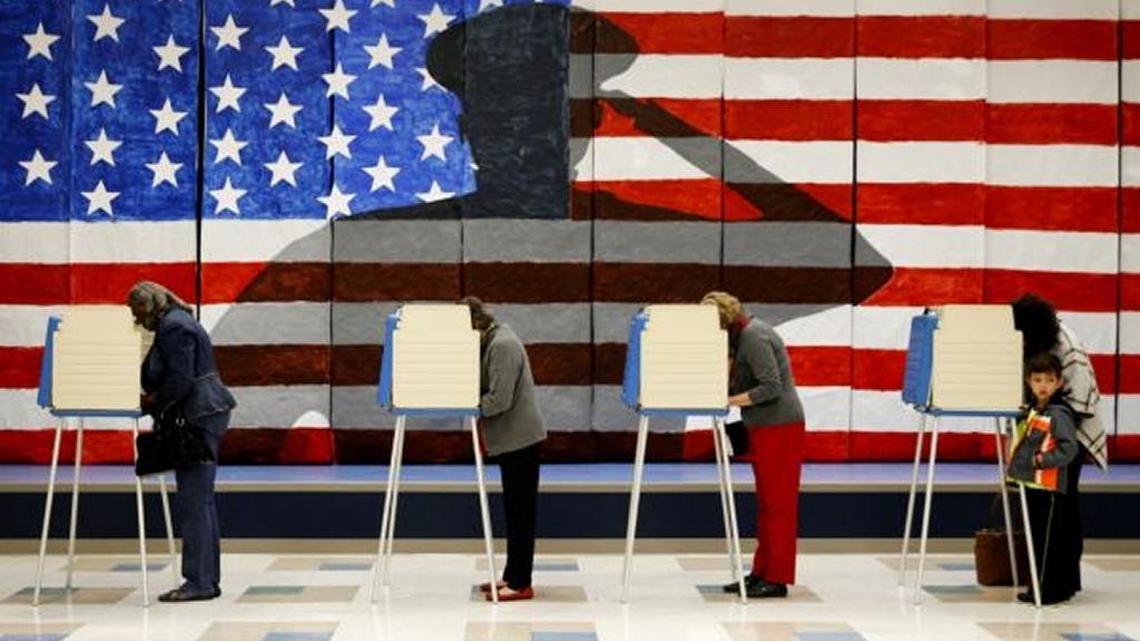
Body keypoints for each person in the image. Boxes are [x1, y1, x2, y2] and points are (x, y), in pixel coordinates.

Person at [127, 281, 236, 603]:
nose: (136, 320)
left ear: (149, 306)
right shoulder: (181, 321)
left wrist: (152, 403)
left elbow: (180, 379)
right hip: (206, 413)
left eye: (137, 312)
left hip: (198, 415)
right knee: (200, 501)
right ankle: (206, 579)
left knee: (193, 502)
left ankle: (199, 582)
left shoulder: (174, 327)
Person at [702, 291, 805, 599]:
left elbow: (771, 387)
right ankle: (761, 571)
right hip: (764, 426)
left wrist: (728, 401)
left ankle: (777, 577)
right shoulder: (742, 336)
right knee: (767, 505)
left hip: (780, 426)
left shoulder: (754, 336)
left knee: (779, 505)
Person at [462, 297, 546, 602]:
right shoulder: (494, 341)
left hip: (520, 439)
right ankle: (512, 576)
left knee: (521, 513)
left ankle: (521, 582)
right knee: (514, 511)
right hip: (512, 439)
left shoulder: (502, 346)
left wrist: (466, 405)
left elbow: (499, 399)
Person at [1015, 353, 1084, 605]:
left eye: (1049, 380)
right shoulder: (1034, 410)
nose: (1043, 385)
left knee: (1047, 539)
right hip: (1039, 483)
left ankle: (1046, 589)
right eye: (1037, 379)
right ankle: (1049, 585)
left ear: (1058, 383)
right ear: (1029, 381)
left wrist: (1041, 460)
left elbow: (1069, 448)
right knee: (1041, 535)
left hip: (1052, 485)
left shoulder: (1058, 413)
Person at [1011, 293, 1108, 470]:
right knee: (1034, 487)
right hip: (1039, 420)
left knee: (1064, 489)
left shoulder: (1067, 347)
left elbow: (1080, 400)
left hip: (1069, 424)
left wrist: (1048, 431)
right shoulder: (1032, 338)